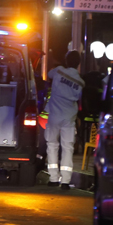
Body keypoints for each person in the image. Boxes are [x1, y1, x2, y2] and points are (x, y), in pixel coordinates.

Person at [45, 51, 84, 190]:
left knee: (52, 145)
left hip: (54, 114)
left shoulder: (59, 71)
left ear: (66, 61)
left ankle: (53, 178)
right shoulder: (80, 82)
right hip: (69, 117)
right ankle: (66, 181)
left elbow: (48, 75)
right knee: (68, 147)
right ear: (78, 63)